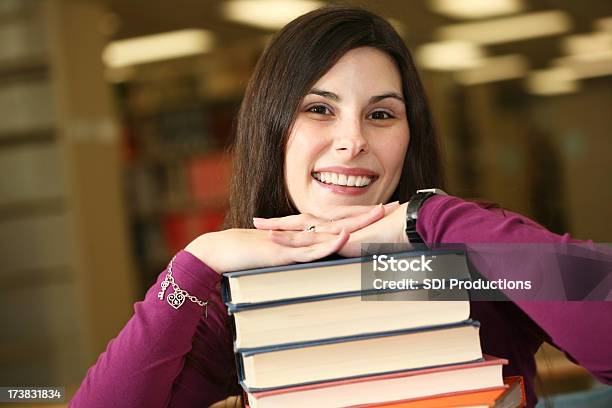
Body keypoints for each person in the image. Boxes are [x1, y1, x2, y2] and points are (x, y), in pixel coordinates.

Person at [70, 6, 612, 408]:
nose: (352, 141)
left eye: (381, 114)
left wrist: (431, 217)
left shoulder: (477, 253)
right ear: (274, 130)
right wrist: (197, 261)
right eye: (319, 109)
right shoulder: (239, 300)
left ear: (409, 135)